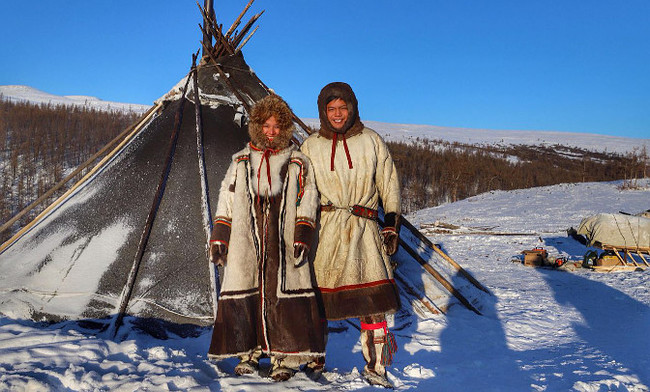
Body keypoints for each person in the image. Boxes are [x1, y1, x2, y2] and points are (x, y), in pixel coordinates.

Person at [207, 94, 326, 382]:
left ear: (284, 129)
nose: (270, 132)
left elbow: (308, 197)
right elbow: (227, 197)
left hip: (281, 241)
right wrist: (221, 235)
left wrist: (302, 233)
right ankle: (248, 353)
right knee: (249, 288)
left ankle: (282, 358)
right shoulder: (242, 161)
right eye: (266, 126)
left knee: (279, 292)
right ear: (257, 127)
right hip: (247, 241)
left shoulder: (297, 162)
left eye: (276, 127)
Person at [300, 82, 401, 388]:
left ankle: (376, 366)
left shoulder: (371, 141)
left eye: (343, 107)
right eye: (331, 109)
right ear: (323, 111)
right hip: (326, 230)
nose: (338, 114)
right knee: (314, 301)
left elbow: (389, 183)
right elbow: (303, 190)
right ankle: (313, 360)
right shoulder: (312, 146)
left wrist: (391, 222)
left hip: (363, 229)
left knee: (373, 302)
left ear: (353, 107)